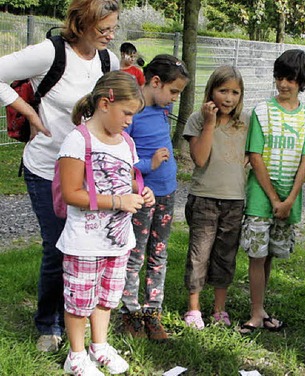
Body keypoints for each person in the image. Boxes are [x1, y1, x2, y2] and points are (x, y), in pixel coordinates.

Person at [0, 0, 120, 352]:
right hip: (45, 168)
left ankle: (78, 323)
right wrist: (28, 112)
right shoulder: (49, 53)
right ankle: (47, 325)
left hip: (86, 171)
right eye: (103, 29)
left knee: (85, 249)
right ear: (81, 24)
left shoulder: (107, 60)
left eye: (114, 28)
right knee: (57, 248)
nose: (110, 36)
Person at [57, 71, 154, 375]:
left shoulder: (125, 142)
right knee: (79, 301)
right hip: (84, 243)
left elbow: (127, 180)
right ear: (104, 104)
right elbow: (73, 193)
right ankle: (75, 356)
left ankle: (99, 347)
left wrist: (141, 191)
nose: (129, 121)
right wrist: (119, 201)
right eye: (126, 113)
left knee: (106, 298)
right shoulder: (77, 140)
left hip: (117, 242)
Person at [239, 49, 305, 334]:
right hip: (262, 198)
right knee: (256, 255)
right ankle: (255, 311)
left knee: (270, 253)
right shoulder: (262, 111)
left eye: (291, 79)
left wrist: (289, 200)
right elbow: (256, 156)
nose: (284, 84)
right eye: (280, 77)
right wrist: (273, 198)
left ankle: (260, 308)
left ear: (302, 82)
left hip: (289, 199)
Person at [119, 54, 189, 340]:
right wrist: (150, 165)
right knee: (135, 253)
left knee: (159, 252)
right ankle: (130, 313)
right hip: (141, 195)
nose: (174, 99)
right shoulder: (131, 114)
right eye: (173, 92)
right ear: (155, 82)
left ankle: (152, 312)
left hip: (167, 191)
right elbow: (122, 162)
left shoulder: (161, 109)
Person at [182, 65, 247, 329]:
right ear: (211, 92)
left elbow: (252, 154)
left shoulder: (245, 123)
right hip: (204, 198)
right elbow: (199, 157)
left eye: (235, 92)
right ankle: (194, 309)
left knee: (225, 255)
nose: (229, 98)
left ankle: (219, 309)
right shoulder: (198, 120)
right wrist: (210, 123)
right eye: (223, 91)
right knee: (200, 254)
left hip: (234, 200)